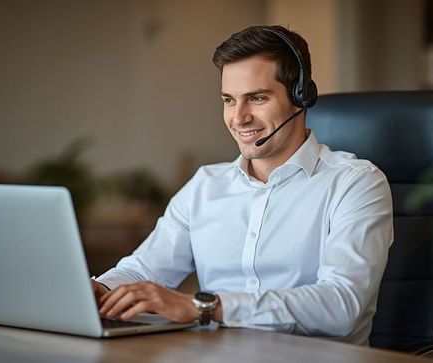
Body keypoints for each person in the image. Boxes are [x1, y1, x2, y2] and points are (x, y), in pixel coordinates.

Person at [92, 25, 393, 345]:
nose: (239, 118)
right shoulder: (205, 186)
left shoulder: (356, 183)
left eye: (257, 98)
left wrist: (205, 307)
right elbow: (143, 268)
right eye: (229, 100)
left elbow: (341, 304)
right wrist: (101, 289)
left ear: (301, 97)